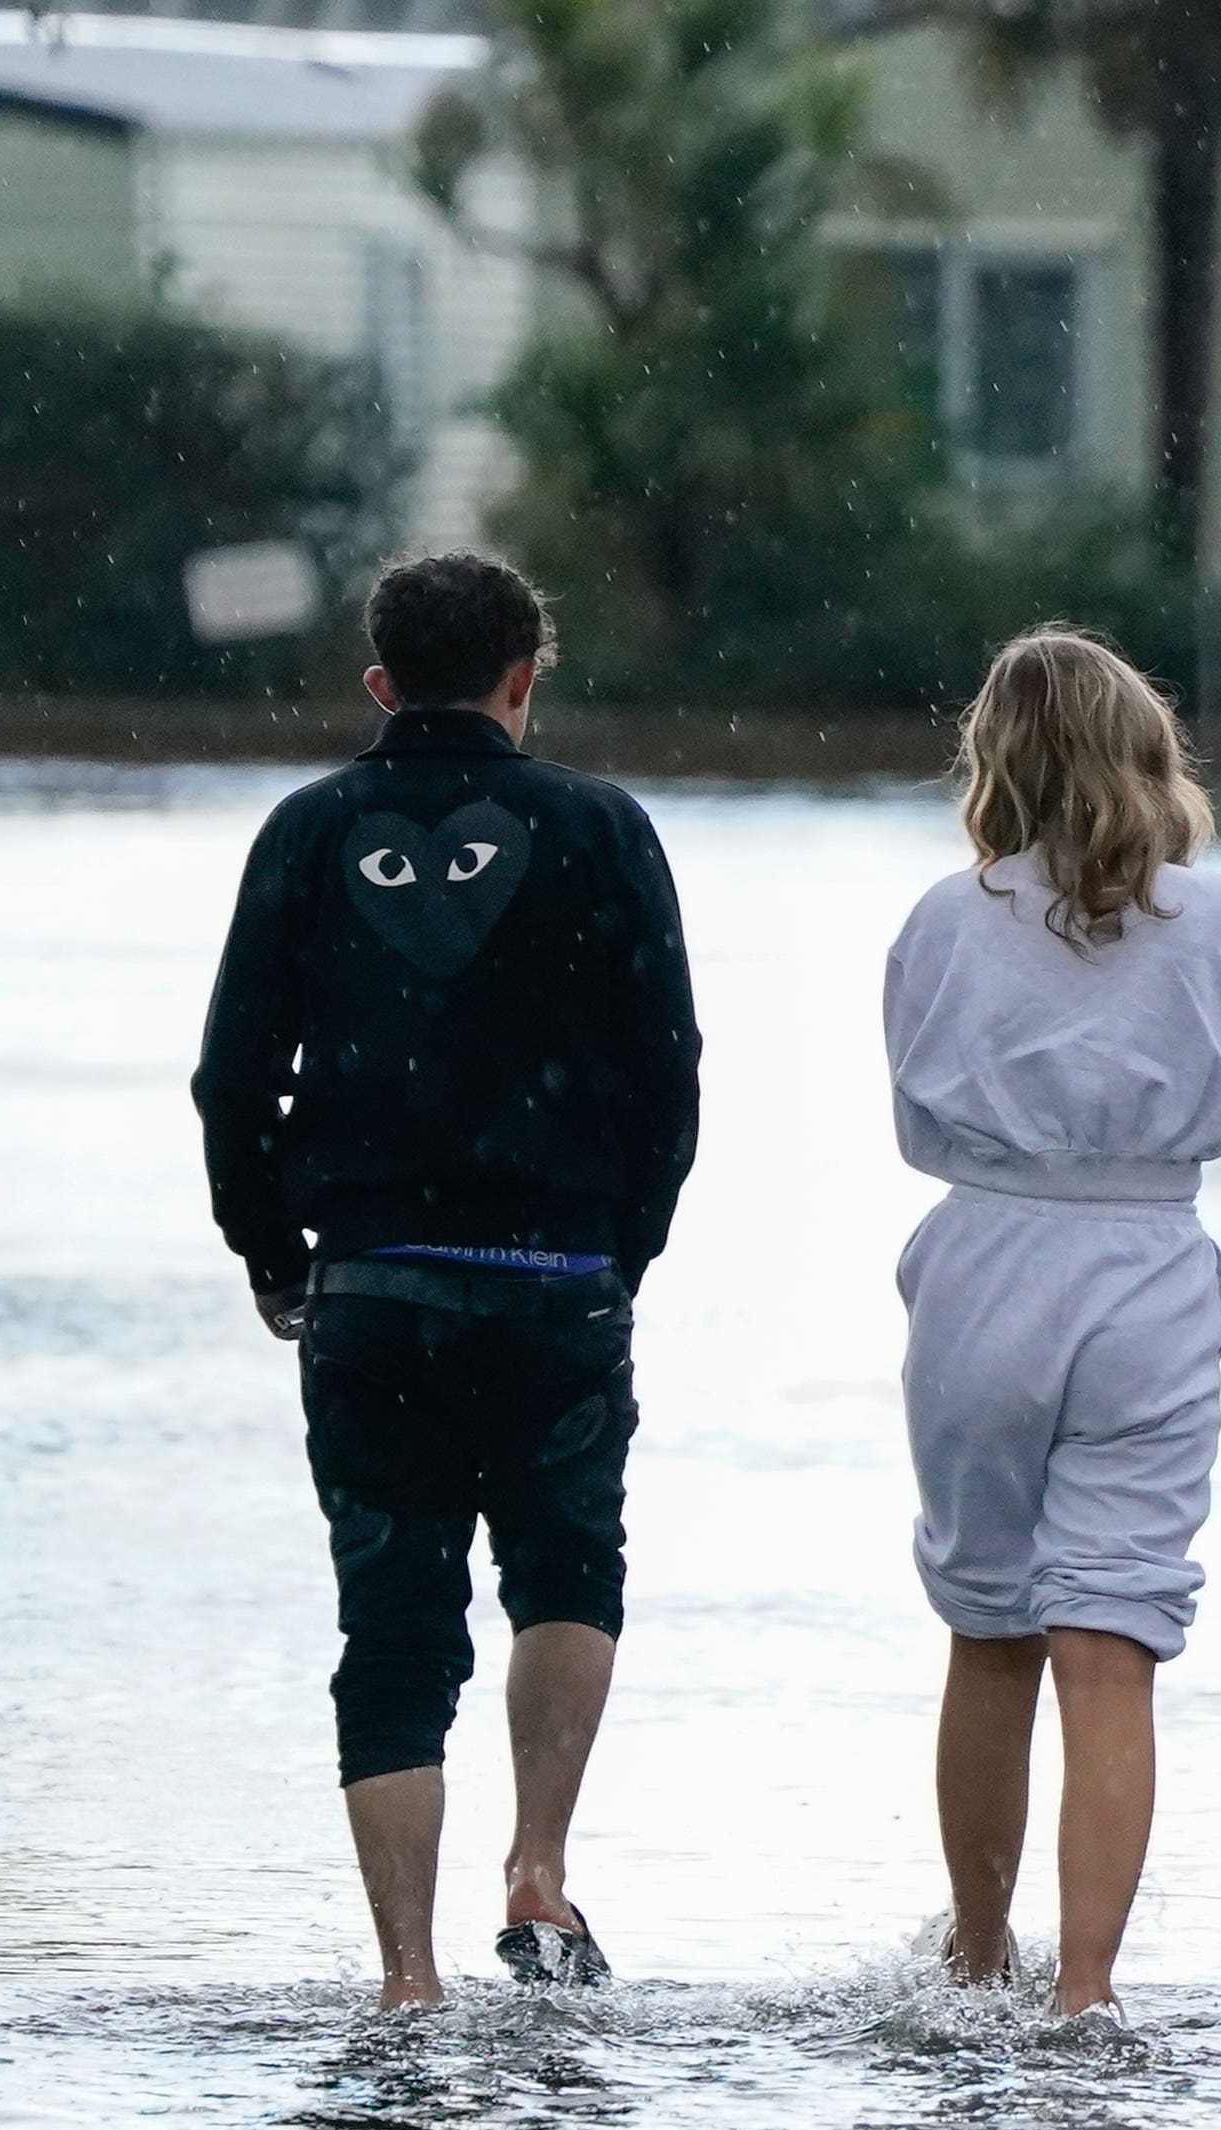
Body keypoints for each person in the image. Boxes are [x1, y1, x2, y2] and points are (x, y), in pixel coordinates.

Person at [194, 550, 700, 2006]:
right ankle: (538, 1867)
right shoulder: (604, 830)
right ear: (525, 676)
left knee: (396, 1628)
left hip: (373, 1292)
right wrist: (624, 1249)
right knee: (566, 1572)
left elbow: (233, 1079)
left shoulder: (305, 833)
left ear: (377, 685)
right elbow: (667, 1072)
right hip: (556, 1277)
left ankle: (407, 1977)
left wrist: (278, 1254)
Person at [883, 626, 1221, 2025]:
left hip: (985, 1253)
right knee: (1110, 1645)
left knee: (990, 1629)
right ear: (1144, 750)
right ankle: (1087, 1989)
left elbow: (917, 1114)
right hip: (1151, 1258)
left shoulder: (942, 916)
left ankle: (978, 1956)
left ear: (997, 760)